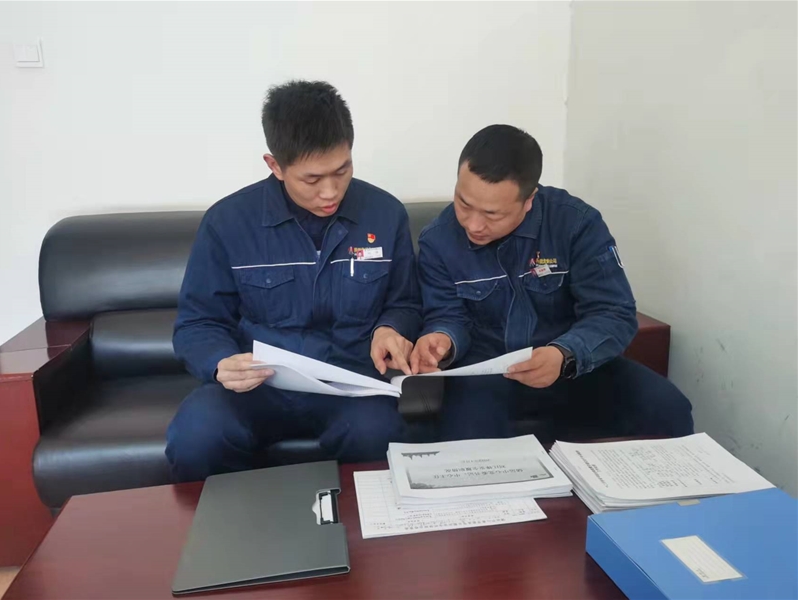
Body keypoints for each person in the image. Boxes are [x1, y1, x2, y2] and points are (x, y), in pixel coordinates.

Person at [166, 81, 421, 481]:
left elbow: (405, 302)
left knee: (377, 433)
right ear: (275, 166)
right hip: (259, 387)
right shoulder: (228, 223)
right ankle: (232, 520)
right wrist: (219, 363)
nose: (330, 192)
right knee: (197, 436)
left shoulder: (386, 214)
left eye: (342, 170)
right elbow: (198, 322)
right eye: (312, 179)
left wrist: (392, 328)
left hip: (349, 384)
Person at [410, 124, 693, 441]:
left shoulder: (575, 224)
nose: (473, 225)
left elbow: (613, 312)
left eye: (492, 214)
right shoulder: (438, 240)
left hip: (573, 368)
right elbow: (447, 316)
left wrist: (564, 354)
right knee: (468, 434)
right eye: (463, 204)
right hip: (487, 377)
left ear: (529, 200)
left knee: (668, 408)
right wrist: (442, 339)